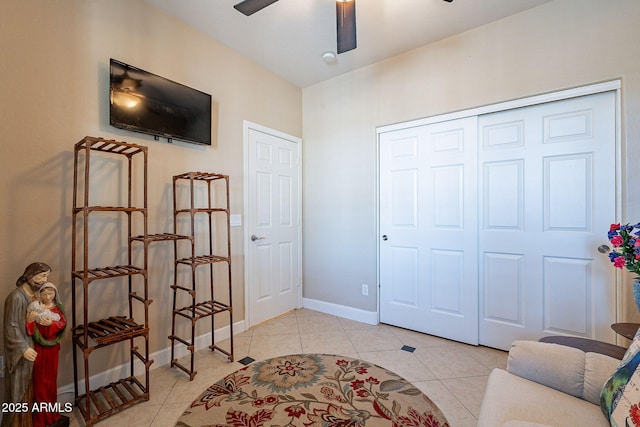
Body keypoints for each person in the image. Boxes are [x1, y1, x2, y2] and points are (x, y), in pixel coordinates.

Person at [2, 262, 52, 427]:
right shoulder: (15, 297)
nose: (44, 280)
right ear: (30, 276)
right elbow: (11, 327)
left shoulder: (35, 296)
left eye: (46, 276)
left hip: (34, 348)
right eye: (42, 276)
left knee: (32, 391)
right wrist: (23, 349)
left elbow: (32, 320)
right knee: (18, 392)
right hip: (22, 353)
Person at [26, 282, 66, 427]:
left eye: (51, 293)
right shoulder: (35, 308)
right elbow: (29, 329)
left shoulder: (57, 308)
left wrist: (51, 325)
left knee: (51, 382)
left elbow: (63, 323)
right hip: (39, 349)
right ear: (39, 294)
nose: (48, 297)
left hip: (53, 348)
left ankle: (52, 415)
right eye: (45, 294)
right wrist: (30, 321)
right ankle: (41, 420)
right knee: (40, 383)